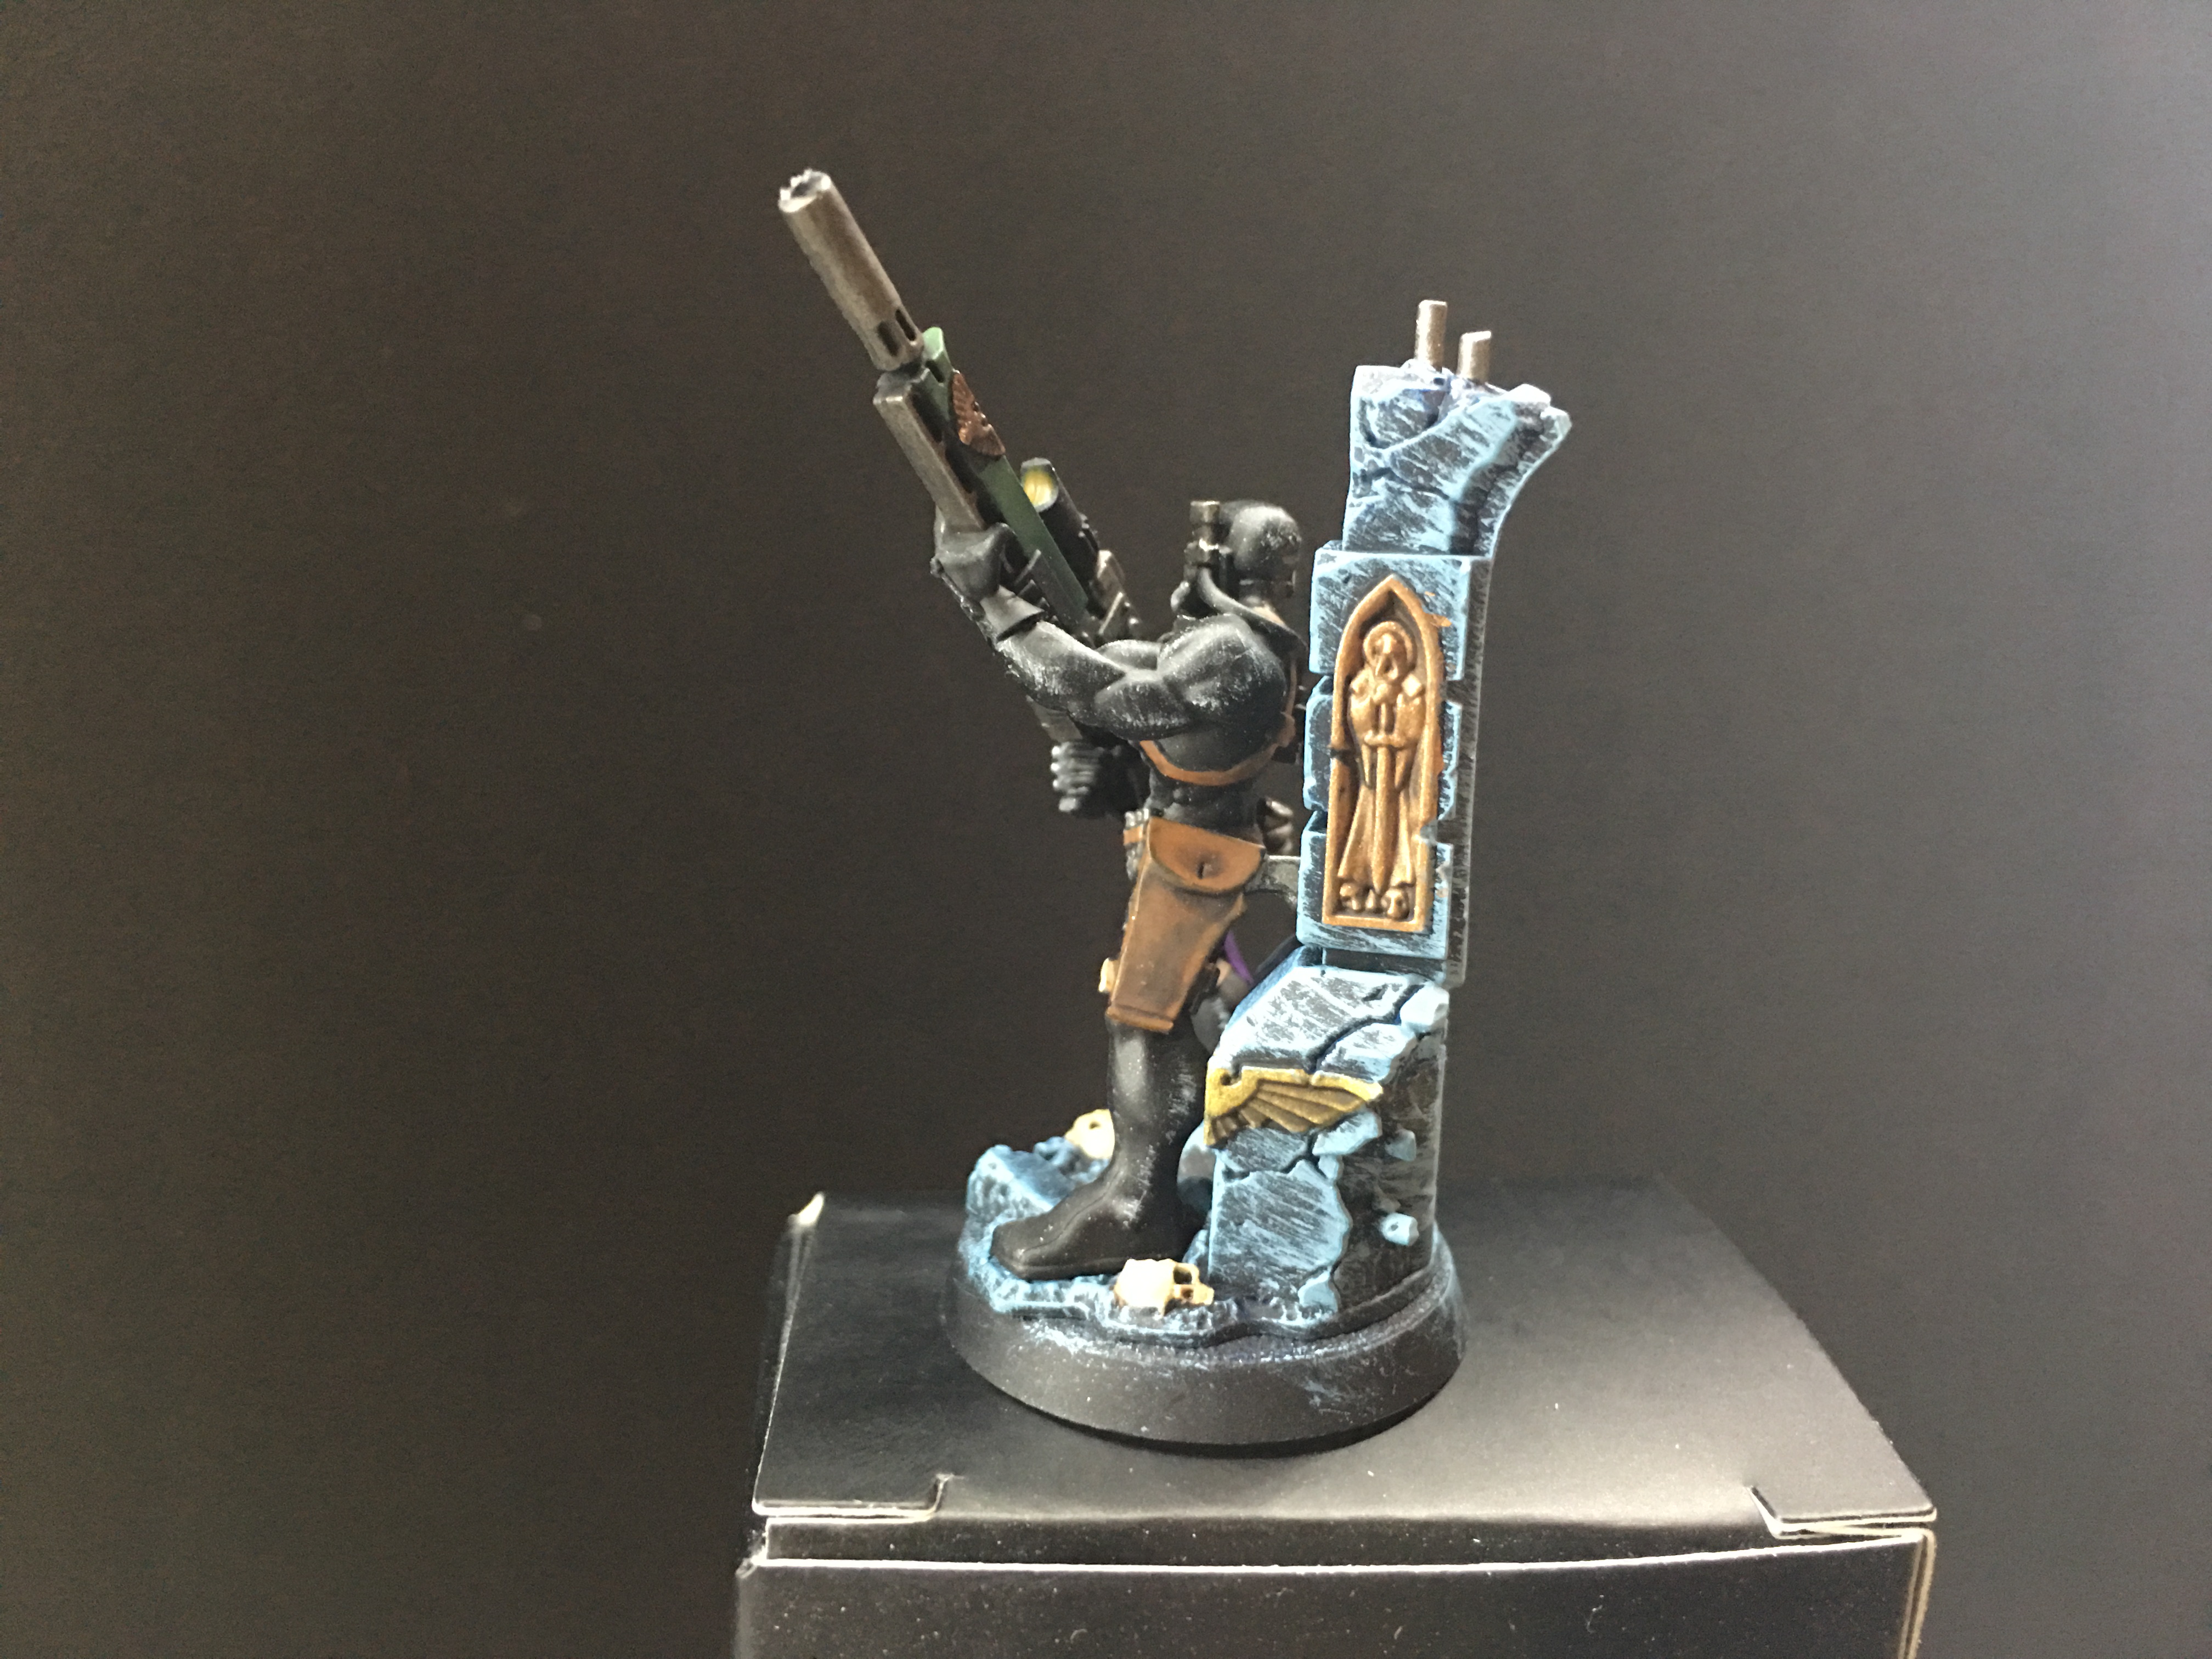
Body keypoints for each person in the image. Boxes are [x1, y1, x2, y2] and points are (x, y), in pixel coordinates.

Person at [932, 501, 1306, 1278]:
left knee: (1144, 1022)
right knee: (1193, 1008)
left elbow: (1102, 690)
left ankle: (1138, 1203)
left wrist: (992, 602)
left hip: (1197, 863)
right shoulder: (1230, 642)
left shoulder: (1237, 653)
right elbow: (1109, 661)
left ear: (1226, 560)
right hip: (1185, 848)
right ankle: (1174, 1167)